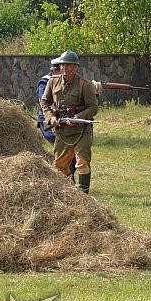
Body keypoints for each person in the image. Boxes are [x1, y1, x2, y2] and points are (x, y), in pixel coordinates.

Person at [41, 50, 98, 194]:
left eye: (68, 65)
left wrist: (79, 116)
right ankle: (70, 195)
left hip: (80, 131)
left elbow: (93, 107)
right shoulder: (52, 82)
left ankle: (84, 197)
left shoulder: (84, 85)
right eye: (62, 65)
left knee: (82, 163)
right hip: (61, 130)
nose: (64, 68)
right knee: (60, 166)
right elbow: (45, 101)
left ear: (75, 67)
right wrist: (50, 118)